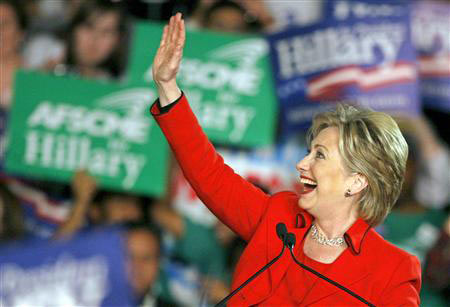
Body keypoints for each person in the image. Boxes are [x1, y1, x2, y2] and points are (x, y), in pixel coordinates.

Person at [149, 13, 421, 305]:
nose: (302, 164)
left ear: (356, 181)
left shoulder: (392, 270)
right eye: (309, 152)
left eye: (320, 155)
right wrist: (168, 88)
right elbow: (209, 174)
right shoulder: (279, 217)